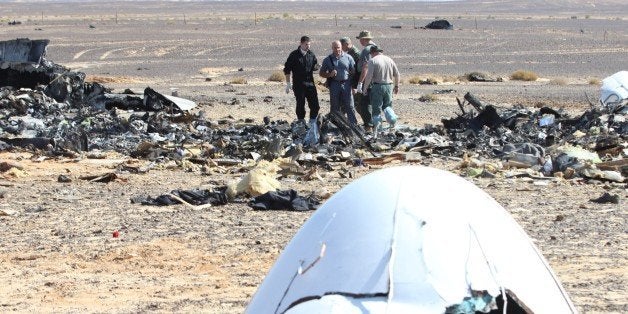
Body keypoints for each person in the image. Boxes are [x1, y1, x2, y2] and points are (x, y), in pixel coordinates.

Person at [361, 45, 400, 138]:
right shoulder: (389, 60)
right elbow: (397, 74)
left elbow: (369, 76)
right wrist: (396, 86)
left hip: (377, 86)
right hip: (389, 86)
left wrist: (365, 88)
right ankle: (392, 125)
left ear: (373, 52)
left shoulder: (373, 61)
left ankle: (376, 131)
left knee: (376, 109)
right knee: (388, 107)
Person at [284, 36, 320, 128]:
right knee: (300, 103)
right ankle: (301, 122)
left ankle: (312, 122)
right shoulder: (294, 55)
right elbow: (287, 69)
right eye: (306, 44)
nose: (308, 46)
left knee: (315, 104)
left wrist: (317, 66)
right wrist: (288, 83)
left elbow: (314, 66)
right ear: (301, 44)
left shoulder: (311, 54)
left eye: (309, 44)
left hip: (310, 84)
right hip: (298, 84)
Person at [319, 40, 358, 125]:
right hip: (334, 84)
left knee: (350, 105)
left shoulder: (348, 57)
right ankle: (335, 125)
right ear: (332, 48)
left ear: (341, 47)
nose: (337, 49)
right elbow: (321, 73)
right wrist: (329, 74)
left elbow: (354, 71)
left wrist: (353, 85)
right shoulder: (327, 60)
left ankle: (353, 125)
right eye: (335, 48)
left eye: (339, 47)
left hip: (346, 84)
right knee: (334, 106)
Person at [354, 30, 377, 132]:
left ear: (363, 39)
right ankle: (374, 124)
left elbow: (365, 67)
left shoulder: (366, 50)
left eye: (360, 39)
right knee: (373, 103)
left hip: (368, 80)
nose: (360, 41)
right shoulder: (376, 48)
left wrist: (360, 83)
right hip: (376, 79)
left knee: (364, 103)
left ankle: (369, 127)